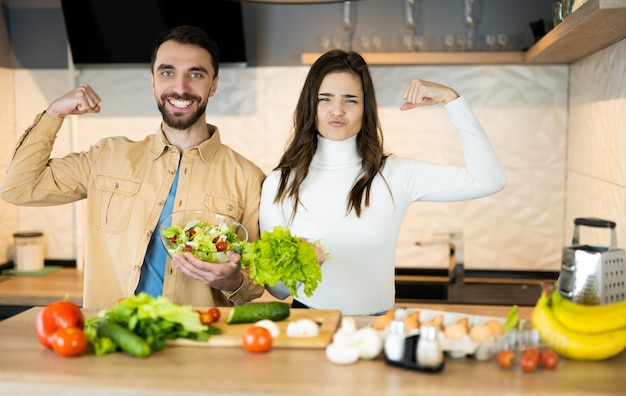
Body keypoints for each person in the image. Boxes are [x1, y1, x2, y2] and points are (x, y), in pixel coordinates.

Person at [0, 25, 266, 309]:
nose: (180, 87)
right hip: (114, 334)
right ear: (153, 81)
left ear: (213, 85)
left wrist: (233, 282)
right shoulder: (107, 156)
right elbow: (18, 188)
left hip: (197, 342)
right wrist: (54, 113)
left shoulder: (249, 178)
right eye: (167, 72)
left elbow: (255, 286)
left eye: (195, 74)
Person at [260, 50, 507, 316]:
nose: (337, 110)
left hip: (379, 328)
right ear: (311, 104)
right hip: (309, 324)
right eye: (325, 98)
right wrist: (301, 262)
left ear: (366, 108)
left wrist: (451, 99)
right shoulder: (280, 183)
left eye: (350, 100)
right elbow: (277, 289)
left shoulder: (394, 174)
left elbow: (489, 179)